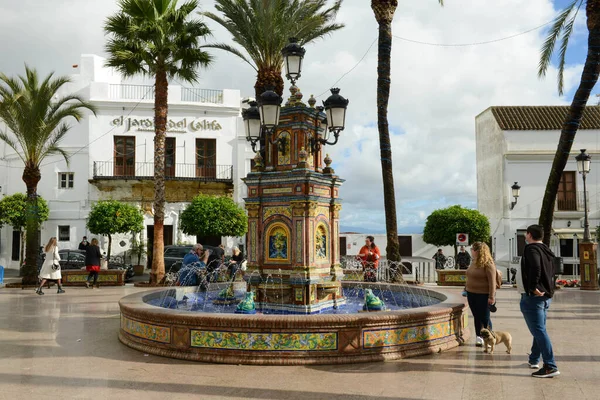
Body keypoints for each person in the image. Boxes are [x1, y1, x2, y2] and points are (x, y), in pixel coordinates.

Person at [520, 224, 560, 378]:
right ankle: (534, 358)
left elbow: (536, 267)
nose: (525, 237)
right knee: (540, 328)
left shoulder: (531, 249)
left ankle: (550, 366)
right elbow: (552, 271)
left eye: (526, 234)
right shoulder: (547, 250)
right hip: (545, 296)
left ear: (529, 235)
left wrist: (532, 287)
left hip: (534, 297)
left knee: (539, 331)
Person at [465, 241, 496, 347]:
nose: (471, 252)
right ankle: (479, 336)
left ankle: (489, 337)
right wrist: (466, 288)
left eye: (472, 250)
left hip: (483, 295)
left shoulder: (488, 264)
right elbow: (469, 275)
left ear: (477, 251)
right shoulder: (474, 262)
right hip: (471, 293)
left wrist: (491, 296)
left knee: (485, 318)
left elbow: (492, 282)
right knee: (476, 316)